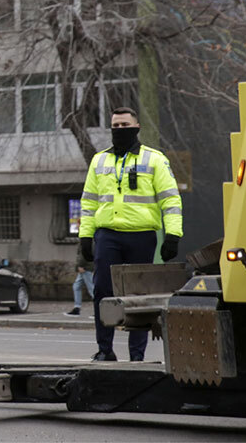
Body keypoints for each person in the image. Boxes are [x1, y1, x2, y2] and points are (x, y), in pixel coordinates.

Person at [78, 106, 183, 361]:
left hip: (141, 236)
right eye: (115, 126)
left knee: (139, 296)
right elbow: (89, 202)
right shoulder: (99, 160)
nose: (120, 129)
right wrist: (85, 236)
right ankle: (105, 350)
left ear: (137, 127)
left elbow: (170, 200)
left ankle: (137, 355)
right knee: (102, 292)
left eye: (125, 125)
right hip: (108, 235)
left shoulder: (154, 159)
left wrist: (173, 235)